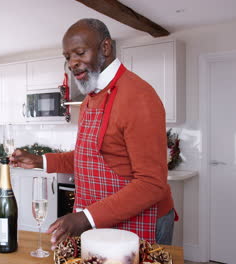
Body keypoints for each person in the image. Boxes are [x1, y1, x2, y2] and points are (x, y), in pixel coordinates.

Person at [10, 18, 175, 248]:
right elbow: (88, 156)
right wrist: (40, 161)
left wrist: (86, 217)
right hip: (106, 220)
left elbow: (151, 184)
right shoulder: (91, 97)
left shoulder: (139, 96)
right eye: (68, 57)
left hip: (142, 221)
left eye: (80, 52)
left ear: (105, 48)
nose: (73, 63)